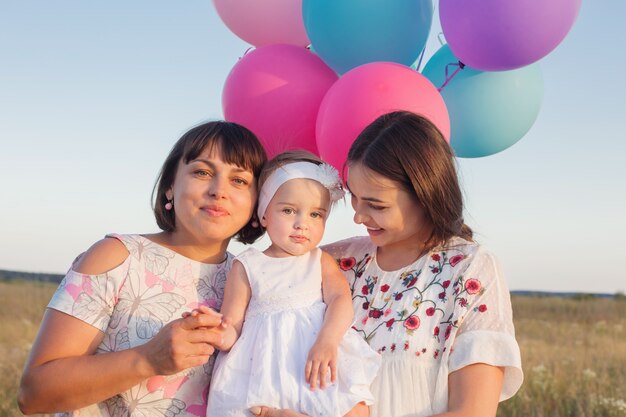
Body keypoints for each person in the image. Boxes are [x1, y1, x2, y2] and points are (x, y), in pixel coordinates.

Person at [251, 111, 523, 417]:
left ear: (426, 194)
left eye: (376, 205)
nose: (358, 216)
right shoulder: (334, 261)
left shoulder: (469, 269)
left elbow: (472, 412)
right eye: (354, 196)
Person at [17, 120, 268, 416]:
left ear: (257, 203)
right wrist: (148, 359)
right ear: (171, 186)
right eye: (202, 172)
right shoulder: (116, 258)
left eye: (239, 180)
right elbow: (33, 394)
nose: (219, 190)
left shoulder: (257, 282)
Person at [205, 151, 380, 417]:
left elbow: (341, 301)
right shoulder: (248, 264)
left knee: (353, 408)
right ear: (264, 215)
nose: (302, 224)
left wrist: (328, 340)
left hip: (316, 358)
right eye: (288, 211)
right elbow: (233, 327)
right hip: (262, 368)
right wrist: (215, 331)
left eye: (315, 215)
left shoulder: (319, 260)